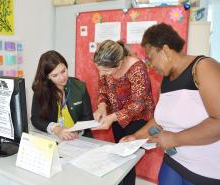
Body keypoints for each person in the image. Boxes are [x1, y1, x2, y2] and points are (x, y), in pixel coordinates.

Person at [120, 23, 220, 185]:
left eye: (150, 58)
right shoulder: (166, 80)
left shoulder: (203, 67)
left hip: (205, 171)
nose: (150, 65)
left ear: (165, 50)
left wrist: (175, 138)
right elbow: (160, 122)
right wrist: (136, 137)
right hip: (173, 161)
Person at [93, 40, 155, 185]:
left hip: (138, 121)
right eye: (99, 69)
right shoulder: (106, 64)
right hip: (116, 119)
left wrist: (112, 117)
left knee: (128, 161)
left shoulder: (137, 68)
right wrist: (102, 106)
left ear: (120, 62)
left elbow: (139, 104)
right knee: (120, 158)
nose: (101, 73)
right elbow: (103, 89)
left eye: (106, 71)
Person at [31, 50, 93, 140]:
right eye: (55, 75)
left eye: (63, 71)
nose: (62, 77)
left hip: (79, 139)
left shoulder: (80, 87)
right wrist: (56, 129)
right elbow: (36, 119)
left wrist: (77, 131)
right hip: (54, 138)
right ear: (47, 77)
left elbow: (88, 118)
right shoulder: (40, 90)